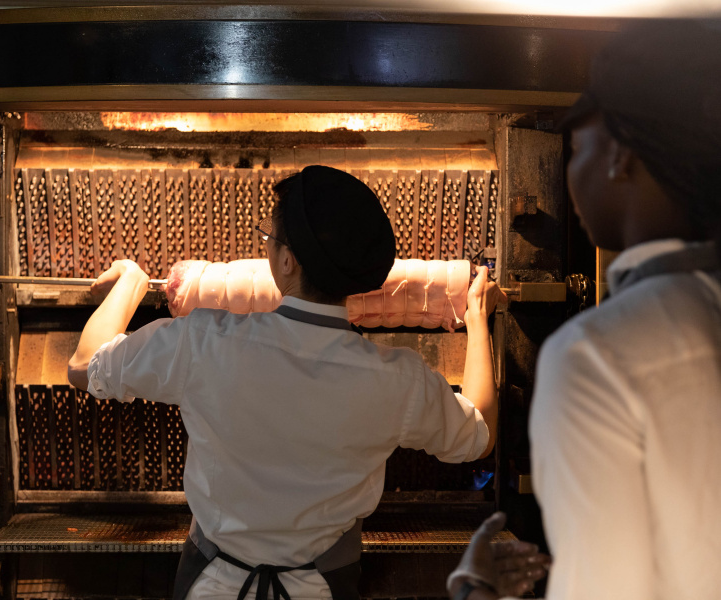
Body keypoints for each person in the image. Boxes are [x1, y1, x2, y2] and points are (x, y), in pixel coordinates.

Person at [68, 165, 506, 600]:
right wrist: (476, 320)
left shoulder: (201, 341)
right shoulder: (399, 380)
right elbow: (480, 434)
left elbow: (84, 366)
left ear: (286, 260)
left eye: (269, 237)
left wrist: (132, 281)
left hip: (212, 585)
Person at [446, 20, 721, 600]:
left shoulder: (597, 355)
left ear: (619, 155)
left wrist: (475, 589)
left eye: (579, 146)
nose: (571, 172)